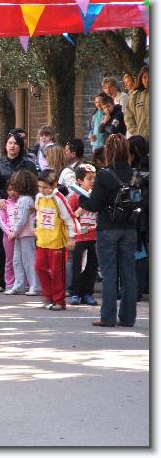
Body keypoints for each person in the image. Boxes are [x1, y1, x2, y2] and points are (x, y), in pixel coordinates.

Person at [80, 134, 138, 327]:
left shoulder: (104, 174)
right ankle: (128, 318)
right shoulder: (134, 174)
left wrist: (81, 198)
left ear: (109, 150)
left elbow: (94, 204)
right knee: (129, 273)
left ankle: (108, 317)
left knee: (109, 273)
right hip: (129, 227)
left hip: (107, 228)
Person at [0, 132, 37, 292]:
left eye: (16, 143)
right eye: (10, 143)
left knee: (25, 248)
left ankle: (27, 282)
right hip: (4, 207)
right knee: (4, 245)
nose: (12, 146)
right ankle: (0, 281)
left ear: (21, 146)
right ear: (5, 145)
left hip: (23, 207)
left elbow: (34, 184)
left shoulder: (28, 164)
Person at [34, 169, 79, 311]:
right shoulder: (39, 197)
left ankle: (59, 300)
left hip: (57, 243)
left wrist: (72, 237)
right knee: (39, 268)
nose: (42, 190)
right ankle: (49, 297)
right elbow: (38, 214)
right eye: (39, 187)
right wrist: (36, 228)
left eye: (45, 187)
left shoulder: (59, 199)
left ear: (53, 185)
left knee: (57, 273)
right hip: (42, 241)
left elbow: (70, 219)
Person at [4, 170, 39, 296]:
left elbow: (22, 219)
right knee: (17, 260)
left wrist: (14, 232)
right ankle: (19, 285)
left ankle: (34, 285)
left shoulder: (25, 200)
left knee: (29, 260)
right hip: (20, 234)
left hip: (26, 234)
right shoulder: (23, 200)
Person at [67, 164, 98, 306]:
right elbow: (68, 217)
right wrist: (79, 211)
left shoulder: (97, 196)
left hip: (94, 237)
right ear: (80, 181)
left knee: (92, 267)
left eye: (94, 178)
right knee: (77, 266)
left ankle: (88, 293)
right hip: (80, 238)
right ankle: (75, 293)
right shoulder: (74, 198)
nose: (92, 181)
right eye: (89, 178)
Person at [0, 179, 18, 292]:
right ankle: (9, 283)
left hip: (20, 236)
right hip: (8, 237)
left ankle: (23, 283)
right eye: (9, 190)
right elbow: (2, 221)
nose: (12, 192)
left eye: (15, 189)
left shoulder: (23, 202)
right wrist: (9, 232)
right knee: (10, 260)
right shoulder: (5, 204)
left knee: (20, 261)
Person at [124, 65, 149, 141]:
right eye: (144, 77)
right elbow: (128, 117)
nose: (147, 80)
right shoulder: (135, 96)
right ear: (140, 79)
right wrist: (136, 133)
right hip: (141, 139)